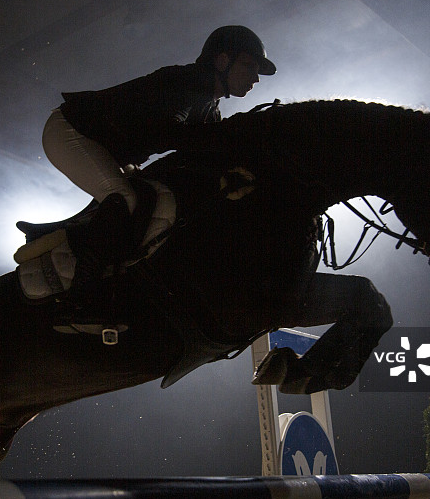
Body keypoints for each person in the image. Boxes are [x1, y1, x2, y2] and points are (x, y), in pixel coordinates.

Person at [42, 25, 276, 324]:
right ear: (222, 61)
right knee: (123, 199)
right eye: (249, 66)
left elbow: (207, 151)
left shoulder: (209, 106)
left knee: (150, 200)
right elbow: (169, 132)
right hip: (72, 132)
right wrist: (233, 134)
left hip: (105, 149)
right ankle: (79, 302)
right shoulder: (186, 82)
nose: (256, 78)